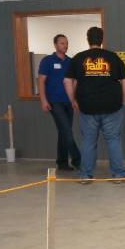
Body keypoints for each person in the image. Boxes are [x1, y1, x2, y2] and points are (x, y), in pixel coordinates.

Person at [64, 27, 125, 183]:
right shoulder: (113, 57)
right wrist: (123, 100)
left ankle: (85, 175)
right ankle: (119, 174)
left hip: (87, 106)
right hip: (112, 105)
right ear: (102, 39)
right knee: (113, 139)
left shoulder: (78, 58)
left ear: (88, 40)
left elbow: (67, 81)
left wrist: (73, 100)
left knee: (88, 140)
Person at [37, 34, 80, 171]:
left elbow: (74, 82)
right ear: (55, 45)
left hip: (68, 102)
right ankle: (78, 160)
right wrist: (43, 100)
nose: (65, 46)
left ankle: (62, 162)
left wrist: (74, 100)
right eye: (62, 43)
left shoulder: (71, 62)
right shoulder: (47, 61)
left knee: (63, 132)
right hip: (55, 102)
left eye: (66, 43)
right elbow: (41, 81)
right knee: (67, 131)